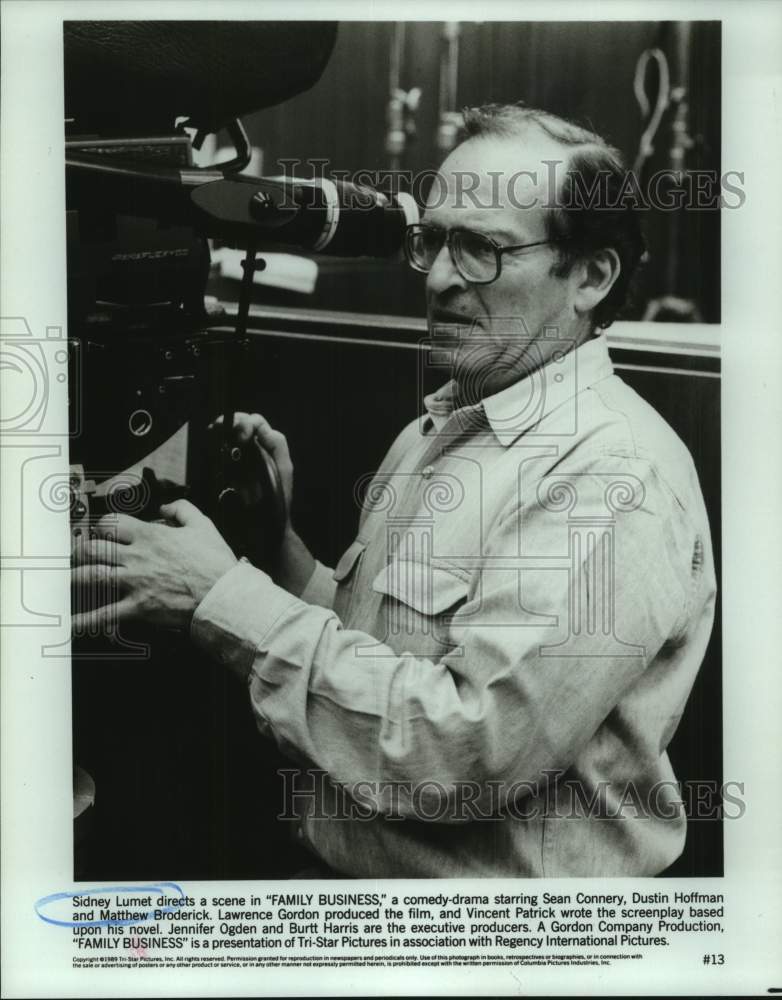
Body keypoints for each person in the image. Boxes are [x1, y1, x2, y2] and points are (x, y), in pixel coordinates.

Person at [72, 104, 716, 877]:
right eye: (432, 241)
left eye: (481, 248)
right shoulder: (441, 427)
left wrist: (221, 598)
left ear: (590, 276)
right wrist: (281, 557)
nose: (439, 278)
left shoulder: (614, 477)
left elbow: (464, 749)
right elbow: (385, 660)